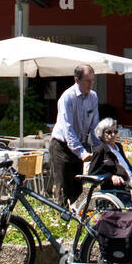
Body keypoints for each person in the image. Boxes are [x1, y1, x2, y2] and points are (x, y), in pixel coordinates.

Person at [49, 65, 99, 207]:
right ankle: (61, 224)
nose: (90, 84)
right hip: (61, 146)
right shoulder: (67, 98)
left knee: (77, 189)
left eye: (92, 80)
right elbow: (68, 129)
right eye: (87, 81)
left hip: (79, 144)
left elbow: (95, 127)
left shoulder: (93, 97)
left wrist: (100, 148)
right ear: (77, 80)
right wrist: (81, 152)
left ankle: (75, 223)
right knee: (64, 189)